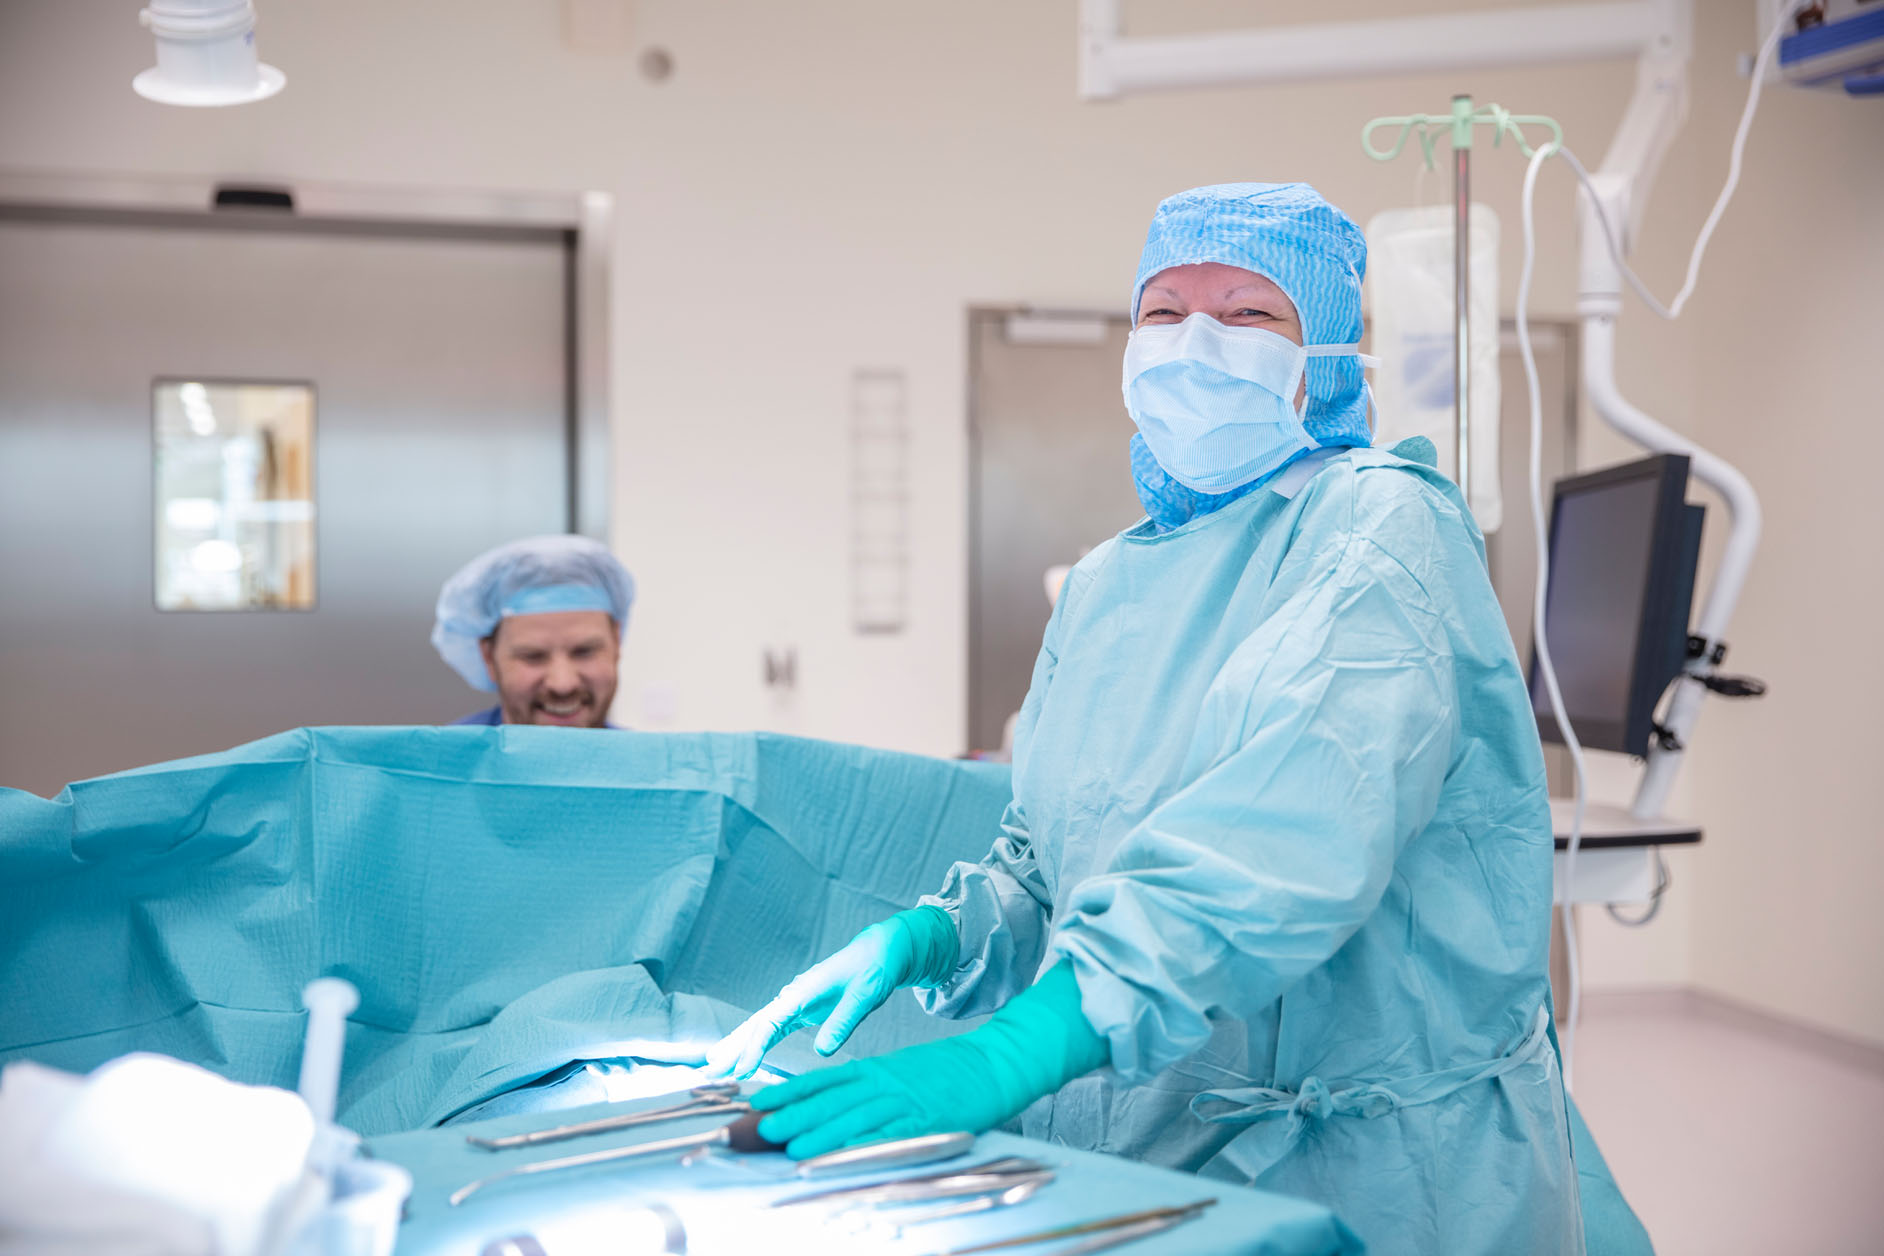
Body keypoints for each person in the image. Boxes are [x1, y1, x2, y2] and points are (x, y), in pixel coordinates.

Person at [705, 184, 1581, 1254]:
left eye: (1248, 312)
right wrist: (933, 936)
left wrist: (1007, 1053)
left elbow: (1272, 847)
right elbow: (1051, 860)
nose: (1195, 342)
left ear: (1330, 355)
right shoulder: (1109, 581)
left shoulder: (1381, 527)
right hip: (1145, 1149)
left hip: (1370, 1176)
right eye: (1164, 311)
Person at [431, 535, 634, 728]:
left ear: (616, 644)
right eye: (532, 656)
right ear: (489, 657)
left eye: (584, 652)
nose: (562, 684)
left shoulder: (645, 754)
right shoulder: (448, 753)